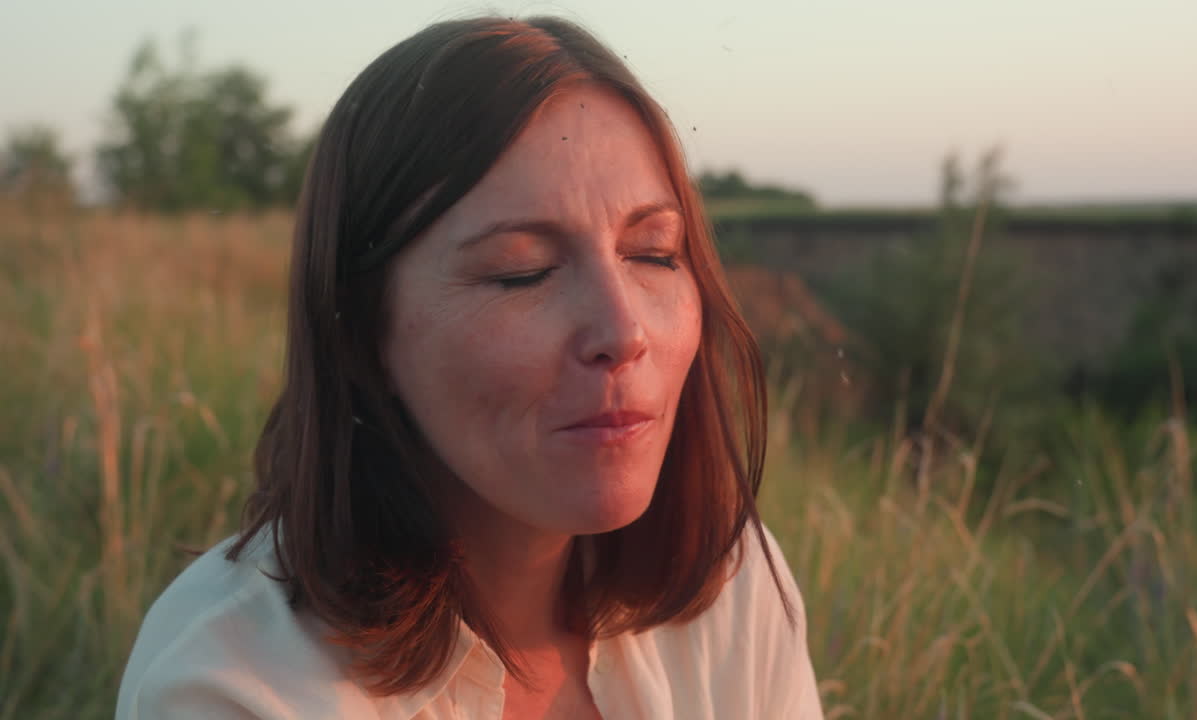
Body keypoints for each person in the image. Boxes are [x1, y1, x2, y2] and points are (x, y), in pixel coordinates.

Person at [115, 15, 822, 720]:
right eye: (522, 271)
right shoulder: (235, 687)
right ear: (359, 331)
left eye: (654, 253)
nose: (624, 331)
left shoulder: (732, 586)